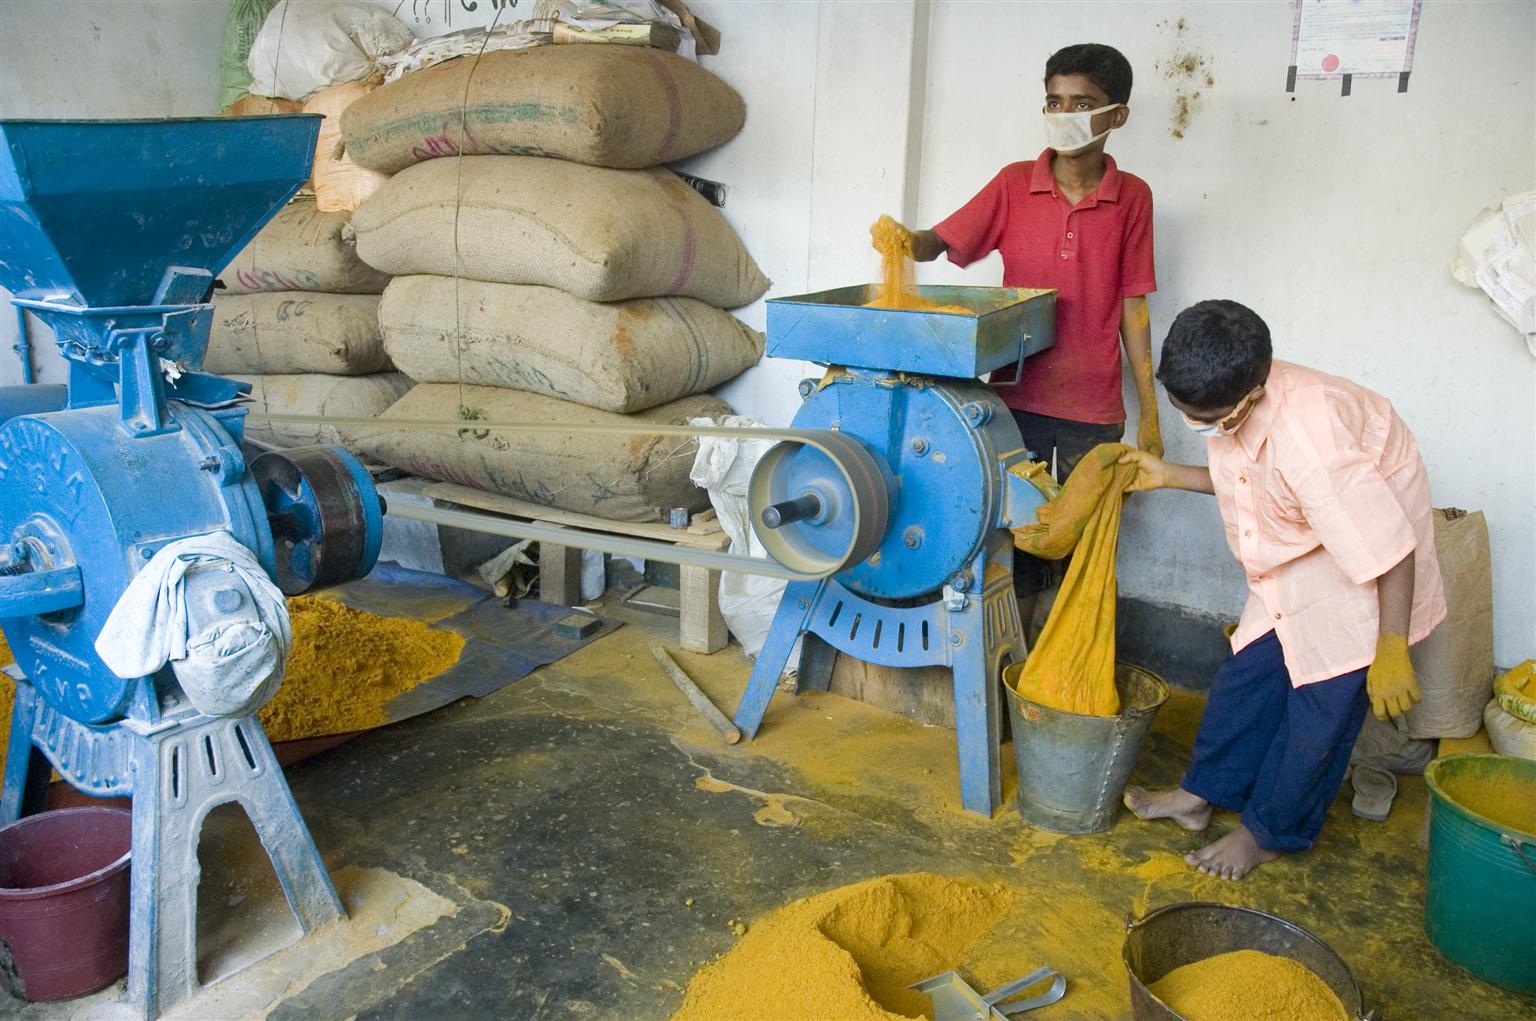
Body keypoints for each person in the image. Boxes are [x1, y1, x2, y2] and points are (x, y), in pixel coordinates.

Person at [1119, 299, 1446, 880]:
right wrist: (1168, 475)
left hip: (1370, 554)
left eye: (1206, 417)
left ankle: (1269, 833)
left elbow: (1392, 549)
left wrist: (1392, 648)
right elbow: (1252, 483)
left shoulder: (1311, 443)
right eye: (1182, 409)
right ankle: (1200, 796)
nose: (1196, 424)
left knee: (1321, 705)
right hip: (1310, 539)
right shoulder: (1232, 390)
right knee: (1246, 676)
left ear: (1250, 395)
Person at [882, 42, 1160, 624]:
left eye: (1082, 102)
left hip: (1094, 405)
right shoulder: (1014, 184)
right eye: (1054, 101)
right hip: (1015, 398)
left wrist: (1151, 417)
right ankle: (1014, 659)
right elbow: (945, 238)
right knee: (1019, 538)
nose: (1065, 115)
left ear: (1117, 116)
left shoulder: (1132, 197)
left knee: (1087, 547)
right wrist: (907, 240)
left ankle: (1068, 670)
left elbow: (1134, 308)